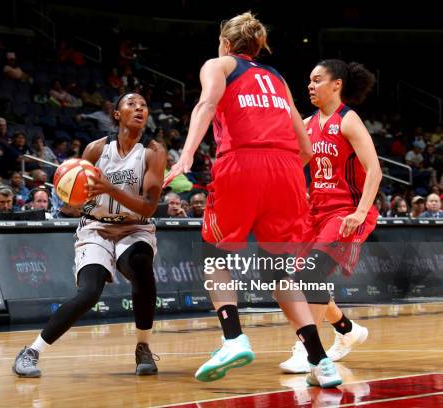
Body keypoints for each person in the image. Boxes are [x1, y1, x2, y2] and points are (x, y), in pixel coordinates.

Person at [164, 12, 341, 387]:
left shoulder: (219, 63)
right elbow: (306, 147)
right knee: (280, 272)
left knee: (213, 255)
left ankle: (233, 338)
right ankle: (322, 362)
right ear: (258, 47)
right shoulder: (277, 78)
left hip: (243, 163)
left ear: (227, 44)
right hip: (289, 171)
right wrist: (285, 173)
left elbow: (206, 105)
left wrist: (186, 155)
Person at [13, 92, 166, 378]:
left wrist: (111, 190)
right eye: (132, 104)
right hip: (96, 228)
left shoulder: (153, 151)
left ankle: (143, 348)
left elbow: (149, 206)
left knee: (142, 266)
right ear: (117, 114)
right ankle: (31, 351)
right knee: (89, 292)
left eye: (144, 105)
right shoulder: (96, 150)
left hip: (134, 227)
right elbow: (78, 197)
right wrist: (73, 196)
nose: (139, 109)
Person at [279, 60, 382, 375]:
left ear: (336, 84)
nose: (310, 85)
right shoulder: (307, 122)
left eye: (317, 80)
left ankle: (307, 350)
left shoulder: (348, 121)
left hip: (345, 212)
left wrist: (360, 212)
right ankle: (347, 329)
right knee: (296, 280)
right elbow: (298, 166)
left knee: (311, 275)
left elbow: (374, 170)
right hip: (315, 213)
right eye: (309, 80)